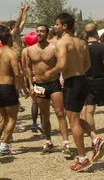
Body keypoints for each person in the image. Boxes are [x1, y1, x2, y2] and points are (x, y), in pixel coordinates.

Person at [45, 13, 98, 172]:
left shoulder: (62, 43)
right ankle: (95, 138)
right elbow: (88, 65)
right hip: (83, 79)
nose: (55, 27)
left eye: (57, 24)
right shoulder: (82, 42)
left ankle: (83, 158)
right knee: (75, 116)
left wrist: (51, 72)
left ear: (64, 26)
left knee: (73, 121)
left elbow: (61, 64)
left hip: (72, 82)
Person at [23, 24, 70, 156]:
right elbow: (27, 67)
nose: (39, 33)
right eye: (37, 31)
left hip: (54, 83)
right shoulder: (30, 50)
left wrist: (61, 77)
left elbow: (62, 64)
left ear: (47, 33)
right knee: (44, 115)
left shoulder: (53, 48)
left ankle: (65, 142)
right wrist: (30, 84)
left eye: (42, 31)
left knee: (60, 112)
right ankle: (48, 140)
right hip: (39, 84)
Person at [0, 26, 27, 155]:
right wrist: (24, 89)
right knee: (12, 118)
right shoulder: (11, 54)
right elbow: (17, 74)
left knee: (2, 117)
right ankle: (5, 144)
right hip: (8, 86)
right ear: (9, 39)